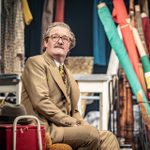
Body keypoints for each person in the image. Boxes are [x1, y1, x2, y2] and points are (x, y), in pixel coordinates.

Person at [21, 22, 120, 150]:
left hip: (63, 127)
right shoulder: (36, 62)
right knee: (91, 135)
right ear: (46, 43)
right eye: (55, 37)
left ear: (69, 47)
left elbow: (74, 110)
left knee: (108, 137)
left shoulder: (67, 72)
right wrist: (73, 122)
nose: (60, 41)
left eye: (65, 39)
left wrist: (82, 124)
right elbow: (41, 101)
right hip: (45, 127)